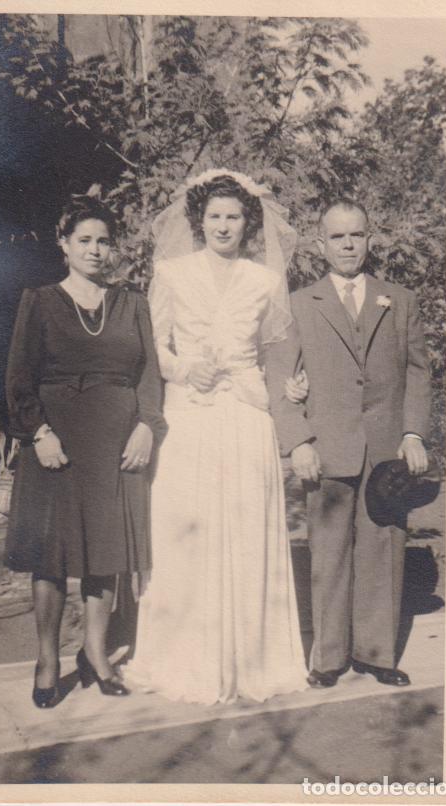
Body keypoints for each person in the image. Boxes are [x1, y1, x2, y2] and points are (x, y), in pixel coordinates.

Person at [124, 170, 307, 704]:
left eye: (233, 216)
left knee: (247, 530)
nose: (224, 226)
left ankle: (252, 661)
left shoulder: (265, 281)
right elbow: (152, 345)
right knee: (190, 530)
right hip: (191, 417)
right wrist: (182, 371)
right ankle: (187, 661)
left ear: (248, 222)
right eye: (215, 216)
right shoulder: (172, 273)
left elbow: (278, 352)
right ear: (198, 221)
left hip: (247, 417)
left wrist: (293, 385)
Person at [5, 195, 166, 708]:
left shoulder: (132, 303)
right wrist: (37, 433)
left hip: (117, 442)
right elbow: (18, 376)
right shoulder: (41, 300)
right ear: (64, 245)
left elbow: (149, 375)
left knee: (106, 553)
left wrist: (147, 426)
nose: (96, 250)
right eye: (85, 241)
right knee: (51, 558)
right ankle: (48, 659)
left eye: (103, 241)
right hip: (57, 441)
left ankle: (95, 654)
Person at [265, 199, 432, 689]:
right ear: (321, 245)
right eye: (336, 237)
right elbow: (280, 379)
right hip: (327, 448)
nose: (347, 245)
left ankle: (378, 654)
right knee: (329, 553)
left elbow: (419, 374)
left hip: (387, 455)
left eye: (355, 236)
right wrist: (298, 442)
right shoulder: (297, 304)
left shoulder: (399, 300)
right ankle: (329, 657)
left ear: (370, 241)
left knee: (384, 547)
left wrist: (413, 433)